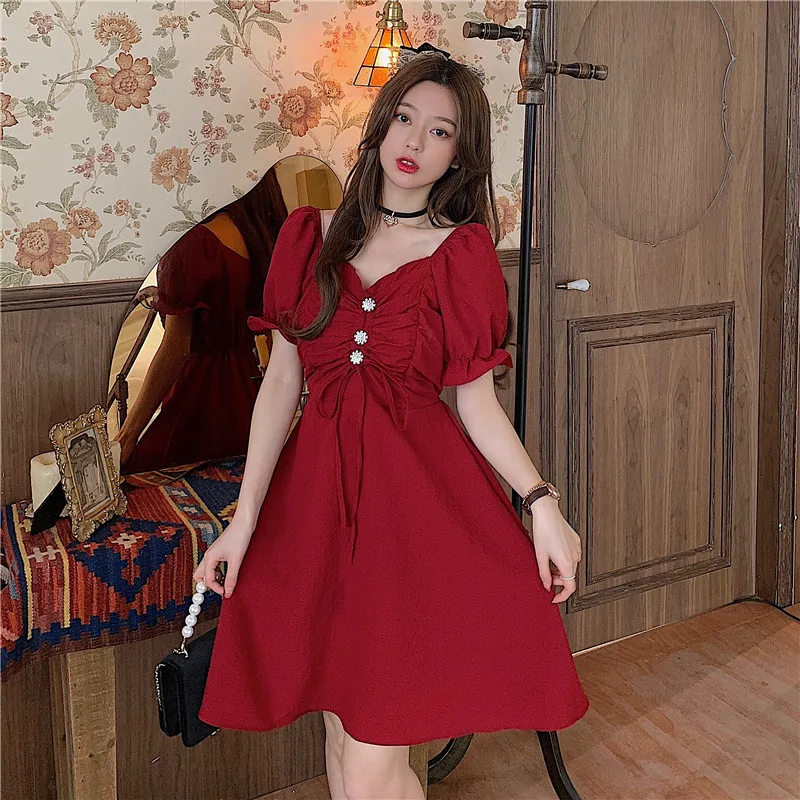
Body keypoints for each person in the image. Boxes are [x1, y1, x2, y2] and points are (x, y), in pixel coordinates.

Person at [194, 47, 588, 800]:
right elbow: (281, 384)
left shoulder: (461, 254)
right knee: (343, 741)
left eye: (440, 131)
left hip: (413, 515)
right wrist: (243, 522)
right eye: (404, 118)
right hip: (315, 510)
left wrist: (542, 504)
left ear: (460, 155)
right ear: (379, 126)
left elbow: (476, 402)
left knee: (374, 753)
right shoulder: (308, 237)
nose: (414, 142)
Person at [116, 167, 289, 474]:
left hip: (199, 399)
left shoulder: (194, 244)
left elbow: (175, 348)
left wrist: (128, 435)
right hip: (248, 393)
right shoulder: (260, 238)